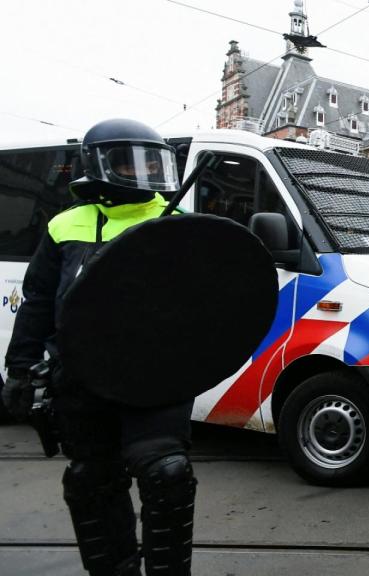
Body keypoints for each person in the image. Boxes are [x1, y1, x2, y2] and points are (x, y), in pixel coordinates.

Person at [2, 119, 195, 576]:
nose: (144, 172)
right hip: (81, 379)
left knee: (166, 473)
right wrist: (20, 367)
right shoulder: (64, 225)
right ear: (96, 165)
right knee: (92, 480)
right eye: (130, 162)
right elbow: (39, 299)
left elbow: (207, 302)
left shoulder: (179, 224)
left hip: (154, 380)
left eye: (153, 162)